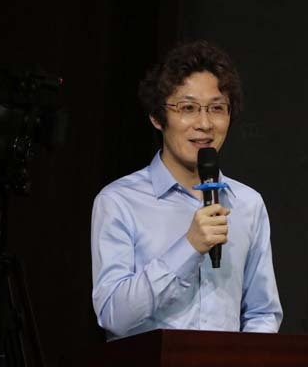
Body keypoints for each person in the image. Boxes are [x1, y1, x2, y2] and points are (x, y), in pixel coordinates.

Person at [91, 40, 282, 340]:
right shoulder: (119, 201)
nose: (204, 124)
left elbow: (262, 313)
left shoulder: (248, 204)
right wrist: (189, 247)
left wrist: (247, 357)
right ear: (157, 117)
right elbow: (114, 316)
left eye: (217, 108)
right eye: (188, 108)